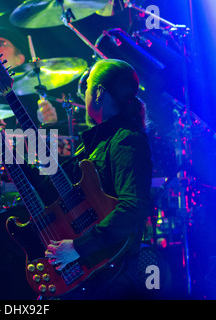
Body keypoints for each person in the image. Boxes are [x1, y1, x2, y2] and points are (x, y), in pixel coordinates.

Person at [43, 59, 153, 299]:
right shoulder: (97, 144)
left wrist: (78, 247)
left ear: (99, 93)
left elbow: (133, 208)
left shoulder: (126, 140)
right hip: (94, 272)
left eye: (87, 88)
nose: (84, 97)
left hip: (113, 277)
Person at [0, 27, 58, 126]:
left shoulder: (39, 96)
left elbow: (56, 140)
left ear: (20, 59)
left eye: (0, 44)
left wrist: (50, 125)